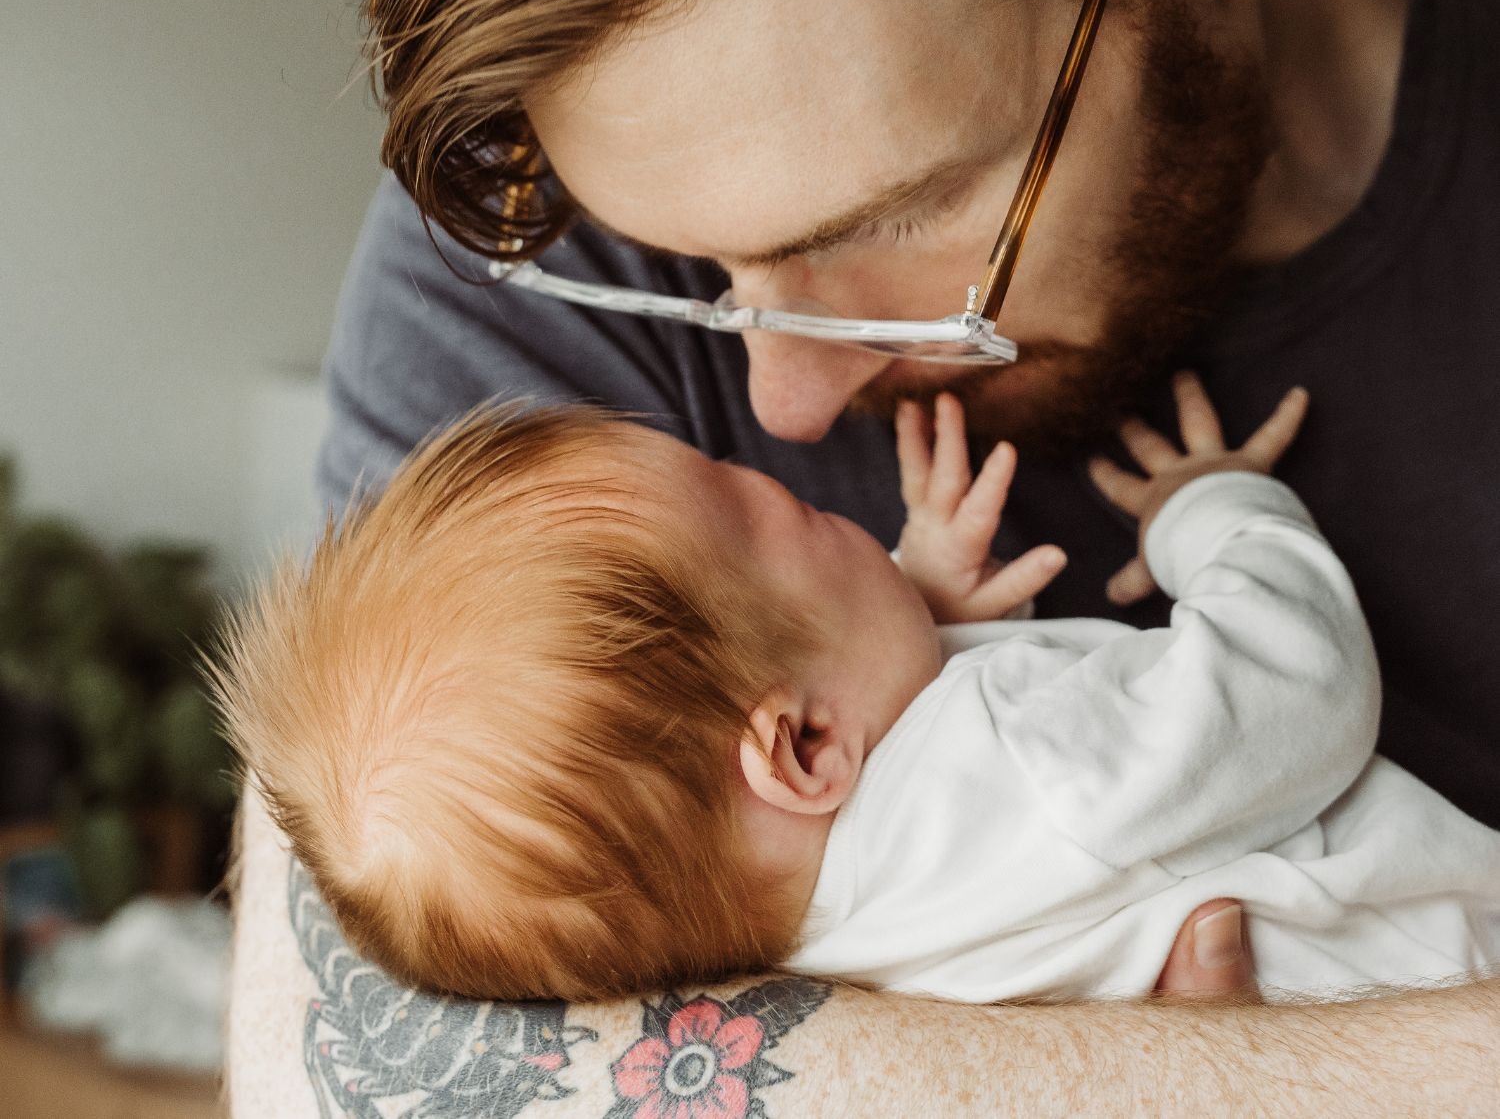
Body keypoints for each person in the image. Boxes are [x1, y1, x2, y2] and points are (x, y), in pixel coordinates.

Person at [230, 0, 1500, 1113]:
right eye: (697, 273)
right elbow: (355, 1078)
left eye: (895, 221)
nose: (780, 405)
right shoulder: (548, 240)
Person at [220, 379, 1500, 1008]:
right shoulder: (1040, 769)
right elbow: (1303, 687)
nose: (802, 491)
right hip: (1453, 961)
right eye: (781, 509)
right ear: (807, 740)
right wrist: (1214, 513)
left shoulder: (808, 952)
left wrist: (905, 602)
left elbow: (869, 797)